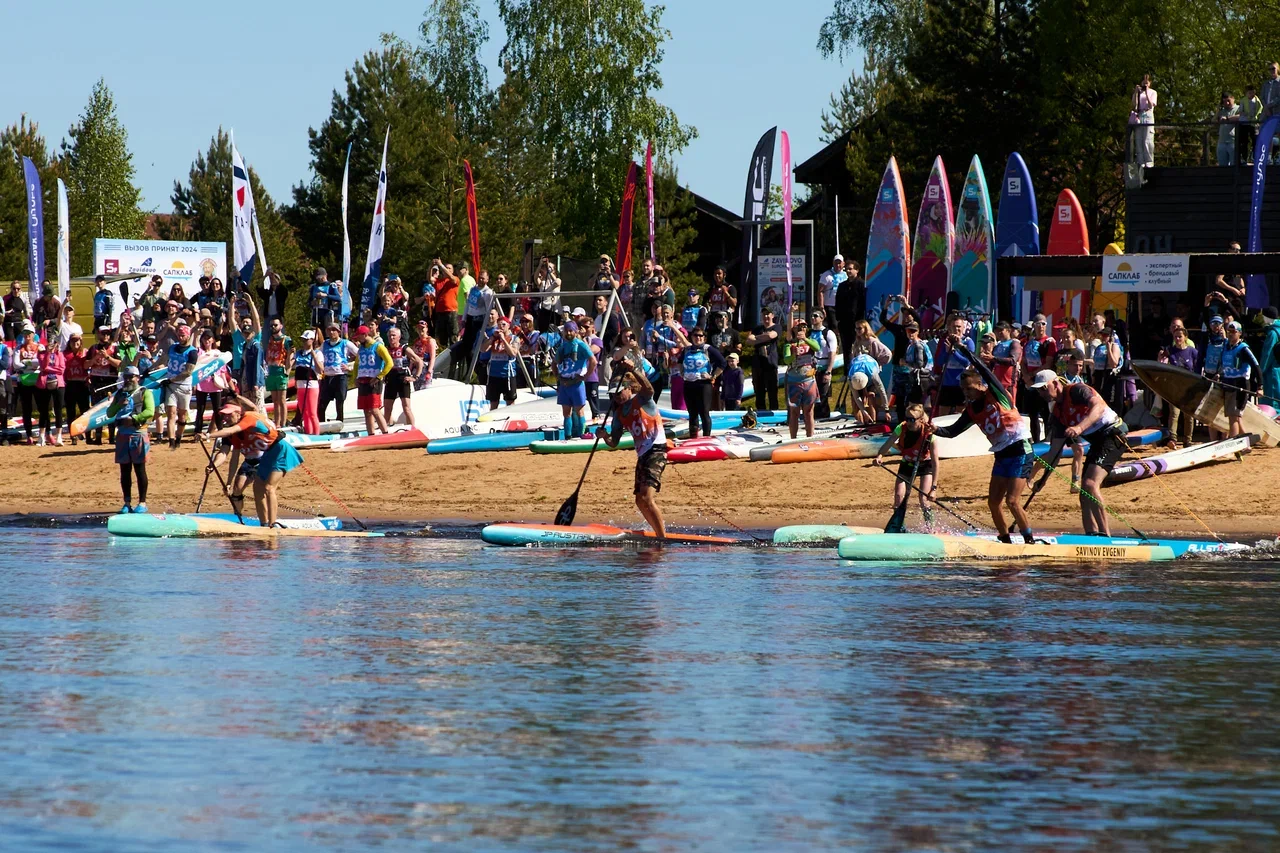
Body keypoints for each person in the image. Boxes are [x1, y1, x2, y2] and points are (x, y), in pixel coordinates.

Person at [933, 337, 1037, 544]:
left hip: (1020, 450)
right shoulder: (971, 411)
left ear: (981, 385)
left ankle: (1029, 540)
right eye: (964, 390)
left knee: (1012, 501)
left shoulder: (997, 394)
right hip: (1001, 454)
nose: (967, 393)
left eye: (970, 388)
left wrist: (962, 347)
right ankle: (1005, 539)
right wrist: (934, 429)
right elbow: (952, 432)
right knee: (993, 502)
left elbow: (983, 367)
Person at [1029, 370, 1129, 536]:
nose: (1041, 393)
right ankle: (1091, 535)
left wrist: (1079, 428)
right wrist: (1043, 480)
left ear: (1055, 383)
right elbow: (1055, 453)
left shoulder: (1077, 391)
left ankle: (1106, 536)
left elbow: (1099, 406)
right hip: (1098, 442)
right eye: (1039, 390)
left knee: (1090, 484)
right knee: (1084, 492)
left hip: (1114, 434)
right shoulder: (1058, 414)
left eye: (1043, 388)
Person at [596, 362, 670, 539]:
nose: (617, 397)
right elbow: (614, 442)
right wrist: (604, 435)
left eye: (619, 393)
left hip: (656, 449)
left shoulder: (643, 399)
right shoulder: (619, 414)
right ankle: (657, 533)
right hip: (642, 455)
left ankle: (662, 538)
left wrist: (633, 370)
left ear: (628, 388)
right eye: (613, 395)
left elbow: (649, 387)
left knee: (647, 497)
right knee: (639, 500)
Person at [202, 398, 303, 528]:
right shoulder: (236, 433)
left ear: (239, 413)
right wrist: (227, 480)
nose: (226, 418)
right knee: (257, 488)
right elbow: (233, 457)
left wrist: (208, 435)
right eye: (224, 415)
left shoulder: (248, 418)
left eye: (229, 414)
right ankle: (264, 524)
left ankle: (273, 524)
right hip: (266, 455)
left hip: (279, 450)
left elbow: (250, 411)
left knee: (268, 488)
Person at [872, 404, 939, 531]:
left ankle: (931, 529)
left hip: (924, 465)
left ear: (921, 420)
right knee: (899, 497)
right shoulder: (901, 428)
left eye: (912, 419)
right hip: (907, 464)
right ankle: (899, 527)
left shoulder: (929, 434)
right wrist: (880, 456)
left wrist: (934, 488)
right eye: (907, 418)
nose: (908, 422)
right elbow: (888, 444)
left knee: (923, 499)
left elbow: (936, 462)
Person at [106, 366, 155, 514]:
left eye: (131, 377)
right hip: (122, 436)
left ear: (137, 378)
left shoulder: (144, 392)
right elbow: (109, 413)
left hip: (138, 434)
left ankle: (142, 502)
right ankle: (127, 502)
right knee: (124, 471)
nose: (128, 379)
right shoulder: (120, 393)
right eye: (126, 377)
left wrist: (134, 418)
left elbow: (150, 411)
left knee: (140, 470)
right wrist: (119, 404)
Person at [678, 325, 727, 438]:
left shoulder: (707, 349)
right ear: (691, 337)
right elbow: (680, 361)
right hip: (689, 384)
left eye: (701, 336)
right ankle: (693, 437)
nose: (698, 338)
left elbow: (723, 362)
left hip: (703, 384)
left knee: (704, 412)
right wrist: (682, 373)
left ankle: (706, 437)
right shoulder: (687, 349)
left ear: (704, 338)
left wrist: (713, 375)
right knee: (692, 413)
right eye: (696, 335)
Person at [1158, 319, 1198, 446]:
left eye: (1180, 337)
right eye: (1175, 337)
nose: (1178, 339)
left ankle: (1188, 439)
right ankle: (1172, 438)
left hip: (1189, 385)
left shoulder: (1192, 351)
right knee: (1174, 413)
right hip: (1174, 385)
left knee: (1189, 415)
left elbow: (1198, 365)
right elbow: (1161, 361)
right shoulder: (1170, 350)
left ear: (1185, 337)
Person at [554, 320, 597, 439]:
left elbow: (593, 361)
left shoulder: (581, 345)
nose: (568, 333)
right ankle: (567, 436)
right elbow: (554, 363)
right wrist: (558, 378)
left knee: (579, 411)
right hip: (564, 382)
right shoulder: (562, 346)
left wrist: (585, 376)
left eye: (570, 330)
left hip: (576, 383)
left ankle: (581, 434)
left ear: (575, 331)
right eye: (566, 330)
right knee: (566, 412)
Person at [159, 322, 199, 449]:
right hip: (171, 385)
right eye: (179, 335)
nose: (180, 337)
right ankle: (171, 442)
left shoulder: (192, 352)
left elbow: (188, 372)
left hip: (183, 386)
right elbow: (164, 359)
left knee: (182, 415)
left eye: (182, 335)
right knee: (171, 413)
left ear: (187, 336)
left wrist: (172, 380)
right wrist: (150, 368)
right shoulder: (173, 347)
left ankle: (178, 437)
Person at [1020, 314, 1057, 443]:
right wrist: (1026, 377)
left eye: (1043, 324)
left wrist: (1031, 375)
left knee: (1046, 413)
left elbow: (1048, 363)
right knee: (1032, 414)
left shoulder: (1049, 343)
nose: (1041, 327)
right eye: (1038, 324)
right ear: (1033, 326)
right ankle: (1035, 440)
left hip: (1042, 382)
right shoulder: (1029, 343)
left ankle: (1048, 439)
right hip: (1030, 382)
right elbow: (1023, 362)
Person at [1220, 320, 1261, 437]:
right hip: (1227, 383)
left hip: (1240, 385)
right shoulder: (1226, 347)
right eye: (1229, 331)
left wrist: (1260, 386)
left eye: (1234, 332)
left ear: (1240, 333)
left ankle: (1235, 447)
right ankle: (1247, 443)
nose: (1231, 334)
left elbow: (1256, 366)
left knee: (1233, 416)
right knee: (1235, 416)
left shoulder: (1244, 349)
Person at [782, 320, 822, 438]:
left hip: (809, 381)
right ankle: (793, 438)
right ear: (794, 330)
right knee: (794, 412)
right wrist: (794, 354)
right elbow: (786, 360)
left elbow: (817, 347)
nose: (802, 329)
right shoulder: (789, 345)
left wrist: (805, 339)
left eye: (804, 326)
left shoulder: (811, 341)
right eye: (798, 327)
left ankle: (810, 437)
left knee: (809, 412)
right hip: (794, 382)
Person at [931, 315, 976, 415]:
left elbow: (967, 362)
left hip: (962, 384)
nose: (956, 329)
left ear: (963, 328)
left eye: (959, 327)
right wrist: (947, 352)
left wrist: (954, 352)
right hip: (947, 384)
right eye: (954, 326)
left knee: (959, 414)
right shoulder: (945, 341)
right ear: (950, 328)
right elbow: (939, 361)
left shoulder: (968, 342)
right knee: (942, 415)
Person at [354, 325, 394, 436]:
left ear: (365, 335)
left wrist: (379, 376)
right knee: (366, 410)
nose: (358, 339)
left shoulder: (378, 346)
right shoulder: (361, 348)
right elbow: (357, 364)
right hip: (362, 380)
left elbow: (389, 363)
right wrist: (355, 377)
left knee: (374, 408)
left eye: (359, 337)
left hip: (374, 381)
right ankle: (370, 434)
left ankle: (385, 433)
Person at [382, 326, 423, 429]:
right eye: (390, 336)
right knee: (387, 407)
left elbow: (419, 362)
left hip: (402, 379)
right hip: (390, 379)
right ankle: (385, 429)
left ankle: (412, 429)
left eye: (393, 336)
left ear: (399, 337)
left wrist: (415, 377)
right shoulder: (386, 349)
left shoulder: (404, 348)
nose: (391, 338)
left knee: (406, 407)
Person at [86, 326, 120, 446]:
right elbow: (85, 365)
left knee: (111, 408)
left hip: (110, 382)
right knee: (97, 409)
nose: (106, 336)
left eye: (107, 334)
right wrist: (95, 358)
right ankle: (98, 437)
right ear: (99, 334)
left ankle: (112, 437)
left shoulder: (114, 348)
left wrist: (107, 356)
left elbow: (118, 364)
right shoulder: (93, 348)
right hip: (96, 382)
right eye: (103, 334)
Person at [193, 330, 228, 436]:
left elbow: (222, 370)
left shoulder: (218, 353)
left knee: (217, 410)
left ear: (213, 340)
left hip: (215, 384)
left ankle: (220, 431)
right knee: (200, 409)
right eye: (204, 338)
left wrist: (225, 384)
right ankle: (197, 432)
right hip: (201, 384)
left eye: (209, 338)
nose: (207, 340)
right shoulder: (200, 352)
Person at [746, 307, 781, 411]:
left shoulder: (777, 327)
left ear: (772, 316)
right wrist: (763, 337)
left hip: (770, 363)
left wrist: (756, 338)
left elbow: (771, 335)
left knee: (772, 391)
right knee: (759, 391)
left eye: (768, 314)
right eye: (764, 314)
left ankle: (774, 413)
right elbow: (748, 340)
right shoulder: (757, 328)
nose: (766, 316)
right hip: (758, 364)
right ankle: (761, 412)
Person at [484, 318, 521, 411]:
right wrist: (492, 337)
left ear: (509, 326)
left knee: (510, 402)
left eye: (503, 324)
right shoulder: (494, 338)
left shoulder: (514, 338)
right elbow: (483, 349)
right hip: (494, 374)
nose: (501, 327)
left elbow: (513, 353)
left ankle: (510, 419)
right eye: (499, 325)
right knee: (493, 402)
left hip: (507, 374)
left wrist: (504, 339)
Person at [35, 338, 66, 446]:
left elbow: (61, 370)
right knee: (43, 410)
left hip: (58, 383)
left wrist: (49, 369)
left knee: (58, 410)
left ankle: (59, 437)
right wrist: (48, 354)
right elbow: (43, 366)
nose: (51, 345)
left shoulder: (60, 354)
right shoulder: (42, 354)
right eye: (49, 343)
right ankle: (41, 437)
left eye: (53, 343)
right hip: (44, 383)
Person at [263, 316, 293, 428]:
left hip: (281, 371)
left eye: (275, 325)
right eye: (271, 325)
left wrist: (288, 370)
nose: (273, 327)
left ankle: (283, 423)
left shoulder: (287, 339)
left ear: (281, 326)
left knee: (282, 400)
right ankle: (277, 423)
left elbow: (292, 355)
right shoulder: (270, 339)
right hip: (271, 372)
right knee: (275, 400)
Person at [808, 310, 839, 418]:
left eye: (815, 316)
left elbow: (832, 353)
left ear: (822, 318)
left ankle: (824, 417)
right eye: (811, 315)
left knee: (823, 395)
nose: (813, 318)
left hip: (824, 367)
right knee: (812, 395)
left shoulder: (828, 333)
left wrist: (828, 371)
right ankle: (813, 417)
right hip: (811, 368)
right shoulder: (809, 333)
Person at [292, 329, 321, 434]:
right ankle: (309, 432)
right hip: (300, 385)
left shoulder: (317, 353)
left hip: (311, 385)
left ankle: (316, 434)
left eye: (306, 340)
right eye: (303, 340)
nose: (304, 342)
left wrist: (314, 357)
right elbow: (290, 366)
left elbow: (320, 369)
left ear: (312, 340)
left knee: (312, 412)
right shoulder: (299, 353)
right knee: (304, 412)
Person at [64, 335, 91, 445]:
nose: (75, 343)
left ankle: (88, 435)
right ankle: (73, 435)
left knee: (85, 411)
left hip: (82, 384)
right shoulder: (65, 354)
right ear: (69, 342)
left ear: (81, 342)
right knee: (71, 412)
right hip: (70, 384)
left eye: (78, 340)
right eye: (73, 341)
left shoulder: (85, 352)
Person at [431, 259, 461, 345]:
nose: (446, 269)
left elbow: (451, 277)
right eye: (446, 268)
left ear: (452, 271)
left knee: (453, 336)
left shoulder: (455, 279)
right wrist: (430, 267)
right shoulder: (439, 281)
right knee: (442, 337)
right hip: (440, 312)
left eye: (449, 268)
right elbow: (430, 279)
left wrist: (441, 265)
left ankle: (455, 356)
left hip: (451, 311)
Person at [817, 254, 848, 334]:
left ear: (843, 264)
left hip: (843, 305)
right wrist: (821, 307)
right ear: (833, 263)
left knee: (843, 325)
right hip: (830, 305)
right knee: (834, 325)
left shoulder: (846, 275)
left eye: (839, 263)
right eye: (836, 263)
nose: (838, 265)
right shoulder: (826, 275)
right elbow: (820, 291)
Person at [1132, 73, 1157, 168]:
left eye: (1147, 82)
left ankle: (1149, 162)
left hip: (1148, 114)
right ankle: (1140, 162)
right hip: (1139, 115)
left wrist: (1146, 93)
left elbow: (1151, 105)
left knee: (1147, 139)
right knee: (1139, 139)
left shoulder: (1153, 92)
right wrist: (1135, 92)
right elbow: (1134, 105)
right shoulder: (1138, 93)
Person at [989, 322, 1022, 395]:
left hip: (1008, 383)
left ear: (1008, 331)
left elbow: (1013, 360)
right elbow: (992, 363)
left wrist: (994, 358)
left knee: (1009, 405)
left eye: (1001, 330)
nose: (999, 333)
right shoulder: (997, 345)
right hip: (997, 382)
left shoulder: (1014, 343)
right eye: (997, 331)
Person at [1258, 306, 1280, 407]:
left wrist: (1260, 373)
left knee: (1271, 402)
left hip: (1271, 371)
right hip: (1278, 368)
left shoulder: (1272, 333)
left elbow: (1267, 355)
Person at [535, 258, 562, 332]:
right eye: (546, 267)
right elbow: (535, 278)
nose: (547, 268)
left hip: (555, 311)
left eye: (550, 267)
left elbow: (557, 282)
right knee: (543, 332)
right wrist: (540, 264)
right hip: (544, 310)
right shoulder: (542, 283)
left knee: (554, 332)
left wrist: (550, 272)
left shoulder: (557, 280)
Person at [1216, 92, 1242, 166]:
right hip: (1222, 141)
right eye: (1224, 101)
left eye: (1228, 101)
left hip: (1233, 141)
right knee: (1222, 165)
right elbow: (1214, 121)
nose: (1227, 103)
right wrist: (1217, 111)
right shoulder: (1222, 111)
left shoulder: (1238, 108)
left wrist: (1227, 118)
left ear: (1233, 99)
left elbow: (1241, 116)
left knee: (1234, 164)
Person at [410, 320, 437, 391]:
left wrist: (429, 371)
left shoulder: (430, 340)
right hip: (416, 369)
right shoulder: (416, 341)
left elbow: (433, 357)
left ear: (426, 329)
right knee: (416, 389)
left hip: (425, 368)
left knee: (425, 389)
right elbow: (412, 357)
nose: (420, 330)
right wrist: (410, 369)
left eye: (422, 328)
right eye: (419, 328)